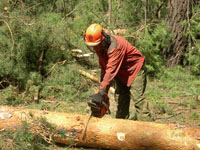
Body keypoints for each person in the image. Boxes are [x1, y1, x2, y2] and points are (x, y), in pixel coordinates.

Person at [84, 23, 153, 121]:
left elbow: (111, 69)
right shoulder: (100, 47)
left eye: (97, 45)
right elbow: (104, 68)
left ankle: (149, 129)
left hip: (134, 70)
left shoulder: (115, 46)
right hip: (120, 72)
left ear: (103, 38)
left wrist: (102, 91)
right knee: (121, 99)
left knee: (139, 100)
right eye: (93, 46)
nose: (95, 48)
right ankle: (120, 127)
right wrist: (102, 91)